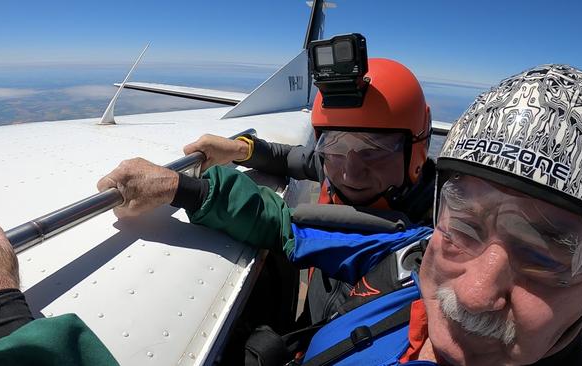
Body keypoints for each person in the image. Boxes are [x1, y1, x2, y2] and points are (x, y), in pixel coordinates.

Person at [0, 64, 582, 365]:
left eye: (547, 249)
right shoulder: (413, 256)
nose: (474, 286)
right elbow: (296, 226)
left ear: (417, 159)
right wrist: (187, 188)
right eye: (468, 221)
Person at [186, 58, 435, 327]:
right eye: (336, 146)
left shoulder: (431, 238)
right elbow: (294, 158)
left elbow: (286, 227)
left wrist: (186, 189)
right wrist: (243, 150)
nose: (349, 174)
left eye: (373, 152)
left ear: (416, 152)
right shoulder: (334, 166)